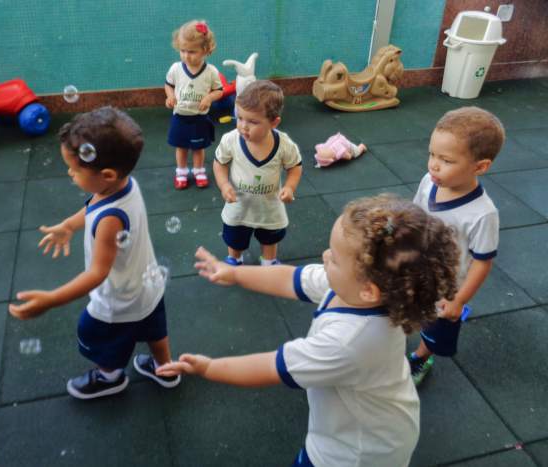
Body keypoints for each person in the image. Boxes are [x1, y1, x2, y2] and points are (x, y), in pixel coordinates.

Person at [157, 195, 460, 467]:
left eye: (335, 258)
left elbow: (272, 367)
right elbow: (289, 279)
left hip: (358, 452)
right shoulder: (356, 289)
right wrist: (235, 273)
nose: (325, 255)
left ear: (369, 290)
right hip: (378, 417)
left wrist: (209, 368)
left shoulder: (350, 342)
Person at [9, 107, 180, 399]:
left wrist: (51, 299)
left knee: (96, 334)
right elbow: (93, 206)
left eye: (75, 170)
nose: (70, 173)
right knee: (154, 329)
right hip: (148, 285)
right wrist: (68, 225)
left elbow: (98, 273)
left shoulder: (111, 219)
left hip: (118, 301)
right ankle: (166, 369)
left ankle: (109, 377)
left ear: (107, 174)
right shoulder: (125, 185)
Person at [408, 106, 505, 386]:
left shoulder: (482, 214)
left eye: (446, 160)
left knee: (435, 328)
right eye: (432, 154)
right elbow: (415, 214)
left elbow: (483, 262)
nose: (434, 165)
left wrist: (458, 300)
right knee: (407, 306)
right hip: (419, 268)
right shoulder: (429, 182)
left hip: (447, 289)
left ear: (480, 167)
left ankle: (422, 357)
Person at [214, 80, 302, 266]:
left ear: (273, 123)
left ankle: (269, 261)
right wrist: (224, 184)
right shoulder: (231, 140)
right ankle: (235, 258)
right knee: (235, 237)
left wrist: (290, 187)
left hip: (269, 207)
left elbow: (295, 166)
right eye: (239, 118)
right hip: (238, 205)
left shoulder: (284, 145)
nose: (243, 126)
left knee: (270, 237)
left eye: (253, 121)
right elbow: (219, 163)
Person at [166, 19, 223, 190]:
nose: (186, 55)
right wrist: (170, 96)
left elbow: (219, 90)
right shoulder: (176, 68)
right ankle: (181, 172)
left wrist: (209, 98)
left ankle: (199, 171)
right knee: (181, 147)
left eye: (191, 51)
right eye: (182, 50)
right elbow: (168, 85)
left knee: (198, 148)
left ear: (205, 50)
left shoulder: (211, 72)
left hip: (199, 117)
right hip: (180, 116)